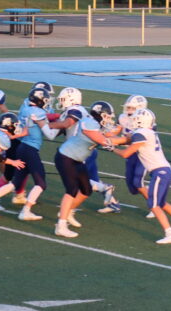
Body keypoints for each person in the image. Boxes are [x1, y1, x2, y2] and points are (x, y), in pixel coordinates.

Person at [108, 108, 171, 244]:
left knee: (153, 204)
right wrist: (106, 139)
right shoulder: (148, 132)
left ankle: (170, 234)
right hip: (165, 171)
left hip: (159, 172)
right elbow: (125, 140)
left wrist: (112, 149)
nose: (132, 121)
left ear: (140, 121)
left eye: (135, 119)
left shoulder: (140, 133)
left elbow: (126, 153)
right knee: (162, 203)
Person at [50, 94, 128, 238]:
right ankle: (61, 225)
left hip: (77, 160)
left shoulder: (97, 125)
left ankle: (67, 213)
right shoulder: (88, 123)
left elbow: (110, 136)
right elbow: (104, 141)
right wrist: (125, 139)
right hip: (66, 157)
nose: (109, 119)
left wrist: (129, 139)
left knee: (86, 190)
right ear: (99, 114)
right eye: (107, 116)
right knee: (72, 190)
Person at [0, 85, 58, 221]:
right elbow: (50, 135)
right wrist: (62, 126)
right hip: (30, 149)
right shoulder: (38, 112)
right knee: (41, 183)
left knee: (15, 182)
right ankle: (26, 211)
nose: (48, 101)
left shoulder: (26, 109)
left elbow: (31, 126)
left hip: (22, 147)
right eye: (46, 99)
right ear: (40, 100)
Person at [47, 87, 118, 212]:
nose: (61, 102)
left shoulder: (75, 110)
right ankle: (111, 201)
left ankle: (104, 189)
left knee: (77, 180)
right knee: (89, 179)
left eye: (63, 99)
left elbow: (66, 124)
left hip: (79, 150)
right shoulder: (76, 111)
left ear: (70, 99)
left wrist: (45, 124)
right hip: (85, 148)